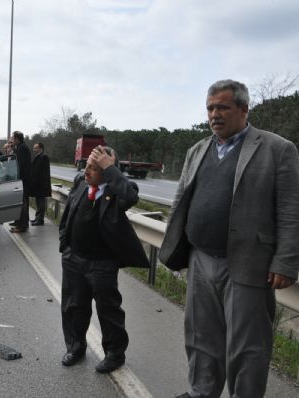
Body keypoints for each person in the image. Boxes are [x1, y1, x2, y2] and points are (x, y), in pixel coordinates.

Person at [159, 79, 299, 398]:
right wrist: (175, 245)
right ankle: (202, 391)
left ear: (244, 109)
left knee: (247, 346)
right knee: (200, 337)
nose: (214, 114)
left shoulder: (278, 149)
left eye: (223, 107)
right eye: (210, 108)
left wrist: (286, 260)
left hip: (249, 262)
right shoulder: (198, 150)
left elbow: (291, 210)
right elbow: (182, 200)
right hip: (201, 257)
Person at [59, 146, 150, 373]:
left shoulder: (117, 192)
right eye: (86, 166)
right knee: (73, 307)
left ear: (107, 171)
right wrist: (66, 245)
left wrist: (110, 167)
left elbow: (131, 196)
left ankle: (114, 354)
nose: (86, 171)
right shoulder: (81, 184)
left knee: (109, 311)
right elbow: (68, 213)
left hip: (102, 264)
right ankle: (75, 347)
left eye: (93, 167)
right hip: (74, 259)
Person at [10, 131, 32, 233]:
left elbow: (20, 166)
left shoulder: (21, 148)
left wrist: (16, 178)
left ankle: (22, 226)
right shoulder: (21, 147)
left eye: (13, 138)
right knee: (23, 203)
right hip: (25, 180)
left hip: (22, 180)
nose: (11, 140)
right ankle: (22, 223)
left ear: (17, 139)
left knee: (22, 203)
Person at [30, 142, 51, 226]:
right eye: (34, 148)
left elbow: (42, 172)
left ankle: (40, 219)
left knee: (41, 202)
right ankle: (37, 218)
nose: (34, 150)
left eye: (36, 148)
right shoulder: (39, 157)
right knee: (38, 202)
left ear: (40, 148)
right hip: (38, 184)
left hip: (41, 184)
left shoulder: (44, 157)